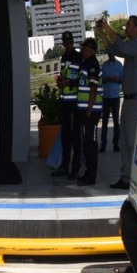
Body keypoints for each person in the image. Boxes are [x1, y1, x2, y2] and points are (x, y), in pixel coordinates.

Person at [95, 15, 137, 191]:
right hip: (128, 99)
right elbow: (114, 49)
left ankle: (133, 178)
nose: (127, 27)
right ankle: (125, 178)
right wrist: (102, 34)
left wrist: (108, 29)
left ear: (136, 29)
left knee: (131, 141)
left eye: (129, 25)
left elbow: (120, 46)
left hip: (135, 100)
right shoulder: (130, 47)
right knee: (124, 141)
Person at [51, 31, 82, 178]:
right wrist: (60, 82)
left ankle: (75, 167)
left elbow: (83, 80)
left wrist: (68, 83)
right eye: (66, 42)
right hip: (64, 101)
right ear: (63, 43)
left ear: (73, 41)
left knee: (75, 136)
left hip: (74, 102)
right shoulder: (63, 57)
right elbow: (63, 75)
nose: (68, 44)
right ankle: (64, 166)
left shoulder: (78, 57)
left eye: (70, 42)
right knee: (65, 136)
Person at [73, 38, 102, 186]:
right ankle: (88, 173)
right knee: (87, 142)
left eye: (84, 48)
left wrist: (89, 108)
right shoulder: (86, 63)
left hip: (91, 112)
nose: (82, 50)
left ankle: (91, 176)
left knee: (90, 144)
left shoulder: (92, 65)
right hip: (85, 110)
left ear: (90, 50)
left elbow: (93, 87)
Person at [99, 51, 122, 152]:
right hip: (106, 97)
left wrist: (116, 79)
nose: (110, 56)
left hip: (116, 96)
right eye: (109, 54)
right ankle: (103, 144)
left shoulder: (119, 65)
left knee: (116, 122)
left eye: (112, 54)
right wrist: (107, 79)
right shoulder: (104, 65)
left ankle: (116, 144)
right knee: (104, 121)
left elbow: (122, 80)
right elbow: (101, 81)